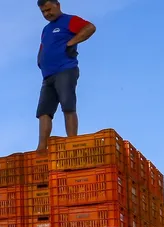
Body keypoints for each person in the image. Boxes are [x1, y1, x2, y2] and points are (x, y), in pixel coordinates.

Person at [35, 0, 96, 152]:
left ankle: (72, 143)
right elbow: (44, 46)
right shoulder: (46, 29)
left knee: (67, 106)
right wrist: (40, 59)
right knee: (43, 111)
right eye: (43, 12)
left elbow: (89, 28)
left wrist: (71, 43)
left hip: (66, 70)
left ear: (58, 5)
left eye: (49, 9)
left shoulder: (69, 20)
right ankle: (41, 149)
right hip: (48, 75)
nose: (47, 14)